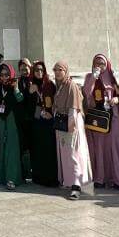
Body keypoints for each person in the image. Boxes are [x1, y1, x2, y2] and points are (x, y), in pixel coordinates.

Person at [82, 54, 119, 190]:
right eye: (97, 63)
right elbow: (86, 93)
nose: (100, 66)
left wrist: (116, 100)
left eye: (102, 63)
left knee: (115, 148)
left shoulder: (112, 78)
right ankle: (100, 179)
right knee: (99, 149)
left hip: (112, 118)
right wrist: (94, 77)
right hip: (97, 118)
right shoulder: (89, 78)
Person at [51, 60, 90, 199]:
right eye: (55, 70)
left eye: (60, 69)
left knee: (73, 153)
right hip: (62, 122)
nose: (57, 72)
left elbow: (74, 107)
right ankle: (69, 181)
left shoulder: (71, 85)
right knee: (65, 154)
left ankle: (76, 185)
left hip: (70, 123)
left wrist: (71, 126)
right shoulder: (60, 86)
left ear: (66, 71)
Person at [0, 63, 24, 190]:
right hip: (0, 121)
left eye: (7, 75)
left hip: (12, 121)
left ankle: (11, 178)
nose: (4, 77)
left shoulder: (15, 86)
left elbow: (21, 101)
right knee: (0, 146)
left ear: (11, 74)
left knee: (11, 149)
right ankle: (0, 176)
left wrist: (16, 89)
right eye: (1, 75)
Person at [26, 61, 58, 187]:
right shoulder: (31, 85)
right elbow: (28, 106)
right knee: (37, 149)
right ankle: (38, 177)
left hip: (49, 121)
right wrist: (30, 93)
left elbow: (56, 100)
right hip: (37, 122)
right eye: (36, 70)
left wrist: (51, 113)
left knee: (49, 149)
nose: (39, 72)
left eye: (41, 70)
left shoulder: (49, 84)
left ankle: (50, 178)